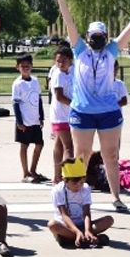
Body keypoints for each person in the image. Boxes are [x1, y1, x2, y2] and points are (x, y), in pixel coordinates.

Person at [52, 0, 130, 212]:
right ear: (88, 36)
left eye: (101, 35)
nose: (97, 38)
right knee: (82, 155)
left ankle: (116, 197)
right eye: (94, 35)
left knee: (111, 154)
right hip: (82, 112)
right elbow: (68, 21)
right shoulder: (79, 50)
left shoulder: (111, 51)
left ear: (106, 36)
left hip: (109, 112)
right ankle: (74, 196)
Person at [48, 158, 114, 248]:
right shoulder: (58, 190)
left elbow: (86, 212)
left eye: (81, 182)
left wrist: (88, 230)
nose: (79, 186)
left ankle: (76, 238)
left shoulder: (85, 188)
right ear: (65, 180)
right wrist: (76, 231)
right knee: (52, 225)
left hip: (82, 224)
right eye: (75, 183)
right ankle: (85, 238)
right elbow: (64, 215)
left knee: (109, 220)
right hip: (66, 226)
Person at [12, 54, 47, 183]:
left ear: (32, 67)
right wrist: (19, 121)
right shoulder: (17, 84)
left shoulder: (35, 81)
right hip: (24, 121)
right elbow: (15, 103)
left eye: (28, 66)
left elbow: (39, 99)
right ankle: (25, 172)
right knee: (24, 146)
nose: (25, 68)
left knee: (39, 144)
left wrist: (41, 117)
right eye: (23, 66)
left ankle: (33, 170)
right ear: (18, 67)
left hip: (35, 119)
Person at [48, 47, 74, 183]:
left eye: (64, 61)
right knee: (69, 147)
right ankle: (68, 177)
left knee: (59, 144)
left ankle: (57, 176)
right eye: (58, 61)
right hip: (61, 115)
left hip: (68, 114)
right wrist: (75, 104)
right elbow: (59, 96)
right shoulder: (58, 74)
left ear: (70, 60)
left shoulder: (72, 71)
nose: (60, 64)